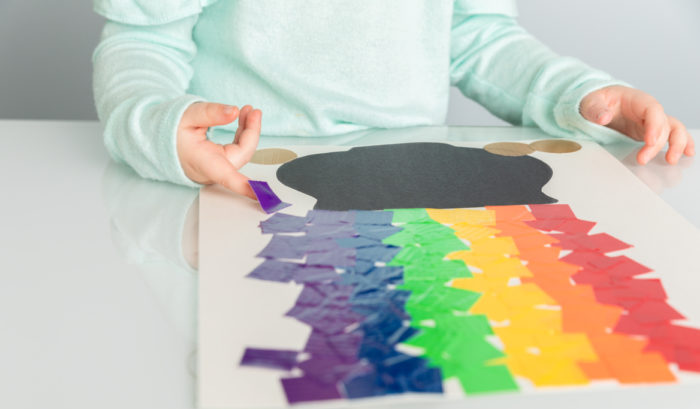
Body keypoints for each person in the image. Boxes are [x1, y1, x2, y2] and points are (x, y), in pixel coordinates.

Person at [92, 0, 695, 200]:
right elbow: (144, 38)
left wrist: (585, 96)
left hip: (405, 186)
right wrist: (151, 122)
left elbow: (477, 37)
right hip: (225, 178)